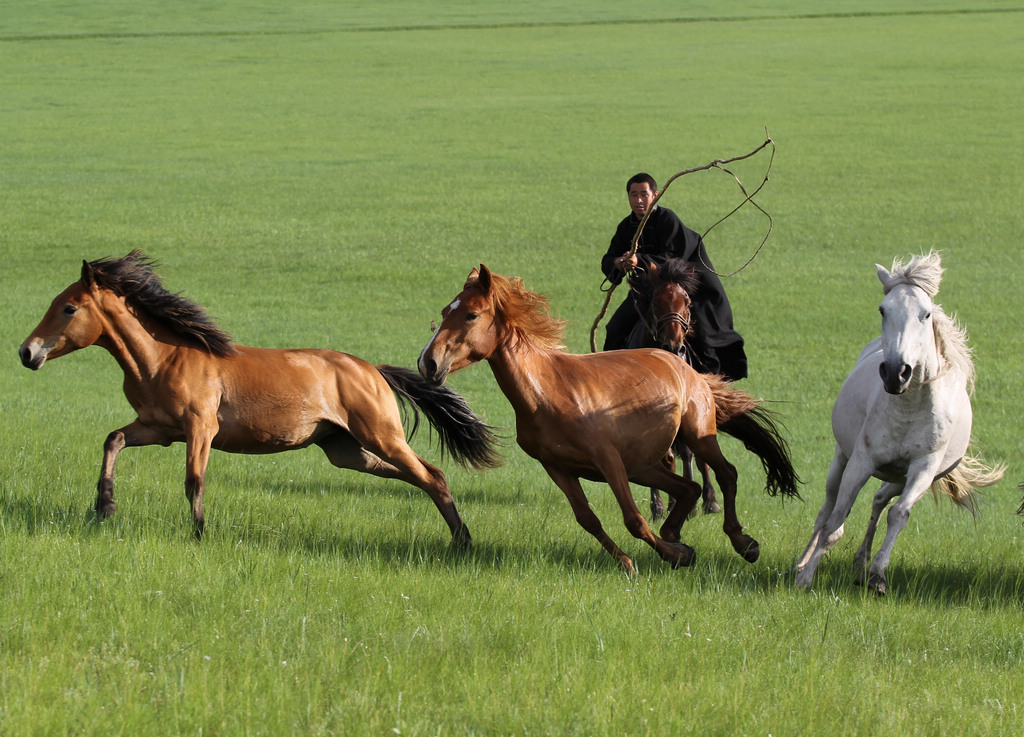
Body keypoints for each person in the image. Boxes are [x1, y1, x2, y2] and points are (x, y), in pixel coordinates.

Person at [601, 172, 748, 381]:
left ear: (655, 196)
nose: (639, 200)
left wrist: (638, 260)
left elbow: (672, 257)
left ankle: (711, 386)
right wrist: (618, 263)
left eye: (644, 194)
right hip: (646, 292)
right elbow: (609, 256)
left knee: (704, 337)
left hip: (681, 288)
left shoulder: (667, 219)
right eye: (634, 195)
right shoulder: (626, 226)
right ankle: (610, 380)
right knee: (615, 328)